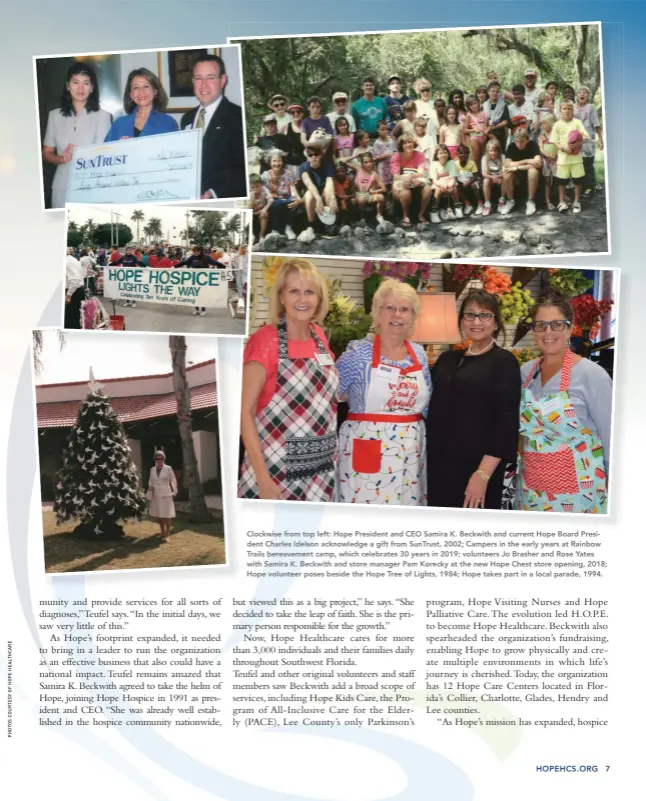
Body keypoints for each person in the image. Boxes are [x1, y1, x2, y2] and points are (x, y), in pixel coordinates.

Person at [238, 259, 338, 502]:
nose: (302, 300)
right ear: (281, 296)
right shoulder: (266, 341)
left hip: (322, 472)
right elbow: (244, 413)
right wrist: (264, 481)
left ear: (319, 298)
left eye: (309, 292)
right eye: (294, 291)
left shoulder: (320, 337)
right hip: (276, 474)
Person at [336, 279, 431, 505]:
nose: (396, 315)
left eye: (404, 309)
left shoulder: (420, 355)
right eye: (389, 308)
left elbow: (426, 405)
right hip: (366, 451)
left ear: (412, 317)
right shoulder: (358, 353)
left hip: (410, 455)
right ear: (377, 314)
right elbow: (332, 395)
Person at [515, 291, 611, 514]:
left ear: (569, 328)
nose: (548, 332)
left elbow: (611, 434)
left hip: (579, 493)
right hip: (531, 490)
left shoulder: (591, 375)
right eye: (540, 325)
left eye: (557, 324)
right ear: (533, 330)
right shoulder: (525, 372)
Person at [427, 290, 521, 509]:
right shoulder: (447, 359)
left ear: (496, 323)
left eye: (484, 315)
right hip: (439, 467)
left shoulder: (504, 362)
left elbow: (505, 424)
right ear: (461, 320)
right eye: (469, 314)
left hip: (478, 471)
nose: (476, 321)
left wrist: (482, 475)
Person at [42, 62, 112, 209]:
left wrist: (81, 154)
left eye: (86, 83)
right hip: (62, 186)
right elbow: (47, 153)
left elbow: (105, 156)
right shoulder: (54, 115)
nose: (80, 88)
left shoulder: (103, 116)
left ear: (92, 88)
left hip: (92, 186)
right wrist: (62, 158)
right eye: (76, 82)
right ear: (68, 86)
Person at [180, 54, 246, 199]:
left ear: (222, 80)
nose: (203, 85)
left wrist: (214, 193)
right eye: (198, 78)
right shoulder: (186, 118)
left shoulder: (238, 117)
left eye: (210, 77)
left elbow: (242, 170)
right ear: (193, 81)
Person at [104, 68, 177, 141]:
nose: (141, 92)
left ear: (155, 91)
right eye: (136, 87)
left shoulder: (168, 122)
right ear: (130, 94)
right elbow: (107, 150)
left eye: (146, 86)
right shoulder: (119, 124)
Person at [550, 99, 589, 214]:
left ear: (573, 110)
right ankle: (562, 202)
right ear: (560, 110)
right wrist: (563, 148)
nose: (567, 111)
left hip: (576, 159)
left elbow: (585, 137)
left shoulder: (577, 122)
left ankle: (577, 201)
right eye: (564, 109)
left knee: (578, 181)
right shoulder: (557, 124)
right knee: (562, 182)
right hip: (562, 159)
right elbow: (554, 141)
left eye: (569, 109)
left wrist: (577, 144)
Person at [391, 133, 432, 227]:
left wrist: (411, 176)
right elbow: (396, 176)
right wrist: (407, 178)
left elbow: (422, 173)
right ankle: (406, 216)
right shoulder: (396, 156)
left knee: (428, 189)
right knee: (406, 192)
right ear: (401, 145)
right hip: (401, 183)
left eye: (410, 142)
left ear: (414, 143)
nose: (408, 145)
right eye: (405, 143)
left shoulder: (420, 155)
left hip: (415, 181)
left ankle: (421, 214)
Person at [298, 144, 337, 239]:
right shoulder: (303, 167)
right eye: (310, 155)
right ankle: (311, 226)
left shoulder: (327, 165)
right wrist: (318, 198)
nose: (314, 157)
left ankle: (330, 224)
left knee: (328, 191)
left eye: (316, 154)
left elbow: (329, 182)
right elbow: (309, 184)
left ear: (321, 155)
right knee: (310, 195)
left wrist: (332, 198)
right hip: (310, 194)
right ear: (307, 156)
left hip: (324, 192)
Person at [501, 126, 543, 216]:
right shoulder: (512, 146)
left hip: (527, 173)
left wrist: (517, 167)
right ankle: (510, 201)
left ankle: (531, 201)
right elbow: (507, 164)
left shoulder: (533, 145)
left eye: (522, 142)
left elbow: (538, 163)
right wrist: (527, 161)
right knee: (506, 171)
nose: (519, 145)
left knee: (533, 171)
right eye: (517, 142)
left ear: (527, 139)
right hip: (516, 174)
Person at [176, 245, 228, 315]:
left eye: (195, 251)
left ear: (199, 251)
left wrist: (225, 267)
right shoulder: (193, 257)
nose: (194, 253)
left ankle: (203, 310)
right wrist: (175, 266)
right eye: (193, 251)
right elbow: (185, 262)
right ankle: (196, 309)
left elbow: (215, 263)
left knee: (203, 295)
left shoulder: (206, 257)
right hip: (194, 279)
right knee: (195, 294)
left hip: (204, 280)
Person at [261, 151, 300, 240]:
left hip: (286, 199)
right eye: (274, 161)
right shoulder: (265, 176)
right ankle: (276, 230)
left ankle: (288, 228)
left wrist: (297, 199)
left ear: (282, 162)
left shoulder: (288, 173)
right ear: (270, 162)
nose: (277, 163)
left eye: (279, 161)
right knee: (277, 203)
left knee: (293, 200)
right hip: (273, 202)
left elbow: (293, 189)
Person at [573, 86, 603, 197]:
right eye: (579, 92)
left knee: (588, 166)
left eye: (584, 93)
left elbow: (597, 125)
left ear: (588, 96)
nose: (582, 94)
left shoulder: (591, 107)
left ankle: (590, 187)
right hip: (575, 143)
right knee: (578, 166)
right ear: (577, 96)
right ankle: (581, 187)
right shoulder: (573, 108)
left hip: (587, 143)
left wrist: (601, 139)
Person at [147, 451, 177, 541]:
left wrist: (174, 491)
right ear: (155, 459)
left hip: (166, 494)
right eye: (157, 459)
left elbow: (173, 480)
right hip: (156, 494)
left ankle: (168, 532)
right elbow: (151, 481)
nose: (159, 460)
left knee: (167, 514)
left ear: (164, 459)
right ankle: (162, 531)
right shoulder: (152, 469)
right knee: (159, 514)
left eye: (161, 458)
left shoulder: (168, 468)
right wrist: (149, 492)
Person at [430, 144, 463, 222]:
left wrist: (449, 185)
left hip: (449, 182)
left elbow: (453, 177)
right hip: (438, 184)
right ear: (436, 155)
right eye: (440, 153)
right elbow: (434, 180)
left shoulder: (451, 162)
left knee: (454, 188)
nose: (443, 155)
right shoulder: (434, 164)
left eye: (445, 152)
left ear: (448, 154)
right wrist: (442, 185)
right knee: (437, 190)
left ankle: (458, 208)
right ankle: (434, 212)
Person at [354, 152, 387, 224]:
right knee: (361, 199)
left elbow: (384, 189)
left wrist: (374, 192)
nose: (368, 164)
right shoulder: (359, 169)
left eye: (370, 161)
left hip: (370, 195)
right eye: (366, 162)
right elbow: (344, 161)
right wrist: (355, 156)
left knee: (381, 197)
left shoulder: (374, 174)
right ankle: (362, 218)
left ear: (372, 162)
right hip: (360, 194)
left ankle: (379, 215)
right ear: (362, 164)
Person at [454, 143, 482, 216]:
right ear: (457, 154)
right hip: (461, 183)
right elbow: (455, 177)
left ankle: (480, 204)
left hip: (471, 181)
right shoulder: (455, 164)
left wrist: (468, 183)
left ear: (468, 154)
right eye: (461, 153)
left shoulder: (472, 163)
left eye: (466, 153)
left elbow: (475, 176)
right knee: (456, 186)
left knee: (474, 185)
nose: (463, 155)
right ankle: (468, 204)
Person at [483, 80, 511, 152]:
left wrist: (492, 128)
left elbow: (505, 122)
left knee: (499, 153)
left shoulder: (503, 106)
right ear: (488, 92)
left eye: (497, 92)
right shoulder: (484, 106)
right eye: (493, 91)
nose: (495, 93)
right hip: (486, 135)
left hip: (499, 134)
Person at [463, 93, 489, 171]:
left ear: (478, 102)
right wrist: (473, 130)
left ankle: (484, 173)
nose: (474, 106)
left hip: (484, 137)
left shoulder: (484, 113)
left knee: (484, 156)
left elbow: (488, 125)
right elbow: (465, 130)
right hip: (475, 137)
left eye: (475, 103)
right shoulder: (469, 116)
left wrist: (487, 130)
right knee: (476, 157)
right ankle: (477, 176)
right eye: (471, 105)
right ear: (468, 107)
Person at [537, 114, 558, 210]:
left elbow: (559, 146)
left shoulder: (556, 135)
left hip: (556, 160)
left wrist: (556, 155)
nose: (542, 126)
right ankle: (548, 200)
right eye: (541, 125)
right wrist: (548, 155)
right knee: (547, 180)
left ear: (550, 124)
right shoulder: (542, 136)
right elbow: (541, 148)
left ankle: (561, 197)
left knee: (559, 179)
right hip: (546, 161)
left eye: (544, 124)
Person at [481, 138, 504, 216]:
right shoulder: (484, 158)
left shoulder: (502, 157)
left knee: (505, 179)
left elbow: (505, 172)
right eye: (491, 151)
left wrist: (498, 176)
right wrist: (492, 177)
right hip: (490, 178)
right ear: (487, 151)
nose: (493, 153)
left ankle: (502, 200)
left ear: (498, 151)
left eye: (495, 151)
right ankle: (487, 204)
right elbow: (484, 174)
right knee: (485, 181)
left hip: (500, 177)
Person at [372, 120, 397, 189]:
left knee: (392, 183)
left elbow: (395, 153)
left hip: (391, 165)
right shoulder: (377, 143)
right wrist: (388, 155)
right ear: (378, 130)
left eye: (386, 129)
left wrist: (387, 155)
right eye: (382, 129)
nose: (385, 131)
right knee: (384, 183)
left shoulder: (391, 141)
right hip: (382, 167)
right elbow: (376, 158)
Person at [65, 248, 85, 329]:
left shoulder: (67, 262)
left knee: (71, 319)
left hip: (74, 291)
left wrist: (69, 295)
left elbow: (75, 279)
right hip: (78, 290)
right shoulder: (73, 260)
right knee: (76, 317)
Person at [250, 174, 273, 244]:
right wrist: (253, 197)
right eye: (252, 187)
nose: (255, 189)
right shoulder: (249, 193)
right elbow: (249, 208)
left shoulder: (264, 189)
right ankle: (252, 235)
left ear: (261, 184)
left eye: (257, 186)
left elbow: (271, 200)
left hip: (260, 211)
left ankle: (261, 235)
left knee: (264, 214)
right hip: (252, 212)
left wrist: (265, 208)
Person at [232, 244, 248, 311]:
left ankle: (245, 302)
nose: (244, 250)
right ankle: (241, 303)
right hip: (238, 272)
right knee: (239, 287)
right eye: (243, 249)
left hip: (245, 273)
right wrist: (235, 273)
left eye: (245, 249)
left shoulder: (248, 256)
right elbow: (234, 265)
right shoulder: (236, 256)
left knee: (245, 286)